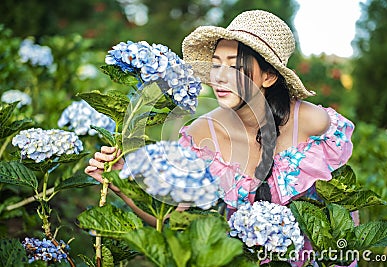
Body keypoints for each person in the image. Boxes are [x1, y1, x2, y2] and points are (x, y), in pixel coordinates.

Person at [85, 10, 355, 266]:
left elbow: (345, 208)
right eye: (216, 65)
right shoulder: (201, 133)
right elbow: (172, 217)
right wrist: (123, 182)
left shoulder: (312, 122)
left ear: (269, 76)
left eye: (236, 67)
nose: (220, 77)